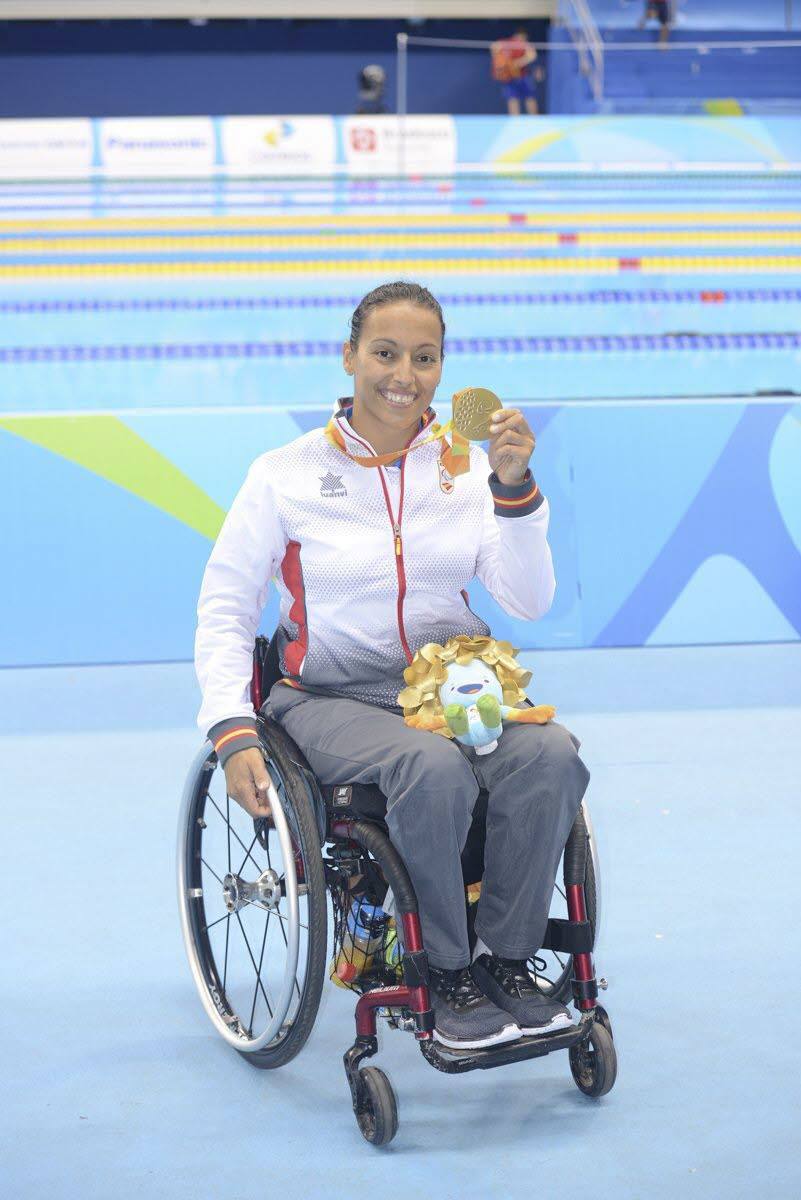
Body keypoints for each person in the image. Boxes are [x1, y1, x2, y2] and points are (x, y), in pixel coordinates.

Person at [195, 280, 590, 1051]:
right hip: (325, 695)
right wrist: (229, 728)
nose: (401, 373)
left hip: (451, 693)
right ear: (349, 358)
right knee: (431, 769)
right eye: (383, 352)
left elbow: (529, 599)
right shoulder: (284, 473)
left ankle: (507, 960)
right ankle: (442, 969)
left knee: (549, 756)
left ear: (442, 369)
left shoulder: (466, 469)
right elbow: (226, 606)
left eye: (423, 356)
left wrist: (513, 492)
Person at [490, 27, 540, 115]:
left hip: (523, 76)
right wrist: (500, 60)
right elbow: (494, 46)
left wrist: (517, 63)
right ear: (517, 36)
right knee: (512, 99)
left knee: (530, 97)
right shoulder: (507, 43)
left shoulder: (526, 45)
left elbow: (532, 56)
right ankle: (514, 120)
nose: (521, 40)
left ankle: (534, 119)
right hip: (510, 77)